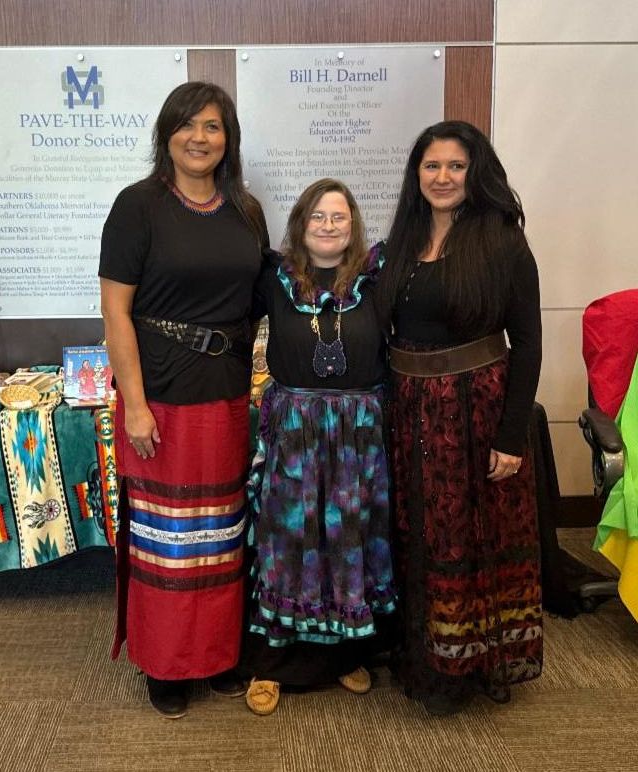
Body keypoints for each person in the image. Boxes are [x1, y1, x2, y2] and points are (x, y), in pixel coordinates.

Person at [99, 81, 266, 719]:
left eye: (213, 126)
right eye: (188, 124)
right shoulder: (137, 206)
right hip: (161, 396)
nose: (200, 137)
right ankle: (166, 664)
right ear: (166, 134)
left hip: (225, 395)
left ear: (229, 139)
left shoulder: (246, 211)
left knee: (219, 532)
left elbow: (258, 301)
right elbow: (116, 312)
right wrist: (135, 405)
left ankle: (217, 656)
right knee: (167, 538)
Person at [377, 120, 542, 714]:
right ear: (416, 174)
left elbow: (528, 343)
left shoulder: (502, 240)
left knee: (467, 538)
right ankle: (424, 653)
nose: (442, 177)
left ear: (476, 174)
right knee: (418, 534)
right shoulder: (402, 238)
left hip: (474, 411)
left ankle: (466, 665)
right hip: (408, 412)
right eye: (432, 165)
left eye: (456, 166)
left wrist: (511, 437)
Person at [243, 178, 396, 716]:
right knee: (288, 543)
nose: (329, 226)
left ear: (353, 224)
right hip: (295, 432)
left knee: (349, 542)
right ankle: (271, 664)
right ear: (300, 224)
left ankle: (344, 655)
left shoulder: (377, 279)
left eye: (339, 217)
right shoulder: (275, 279)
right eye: (317, 217)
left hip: (358, 436)